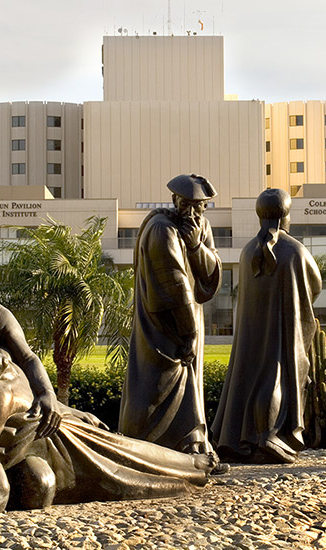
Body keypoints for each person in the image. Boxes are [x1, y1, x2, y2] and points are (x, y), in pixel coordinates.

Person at [0, 249, 213, 515]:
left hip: (13, 435)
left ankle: (191, 468)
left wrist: (47, 396)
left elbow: (29, 359)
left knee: (50, 479)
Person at [211, 188, 322, 464]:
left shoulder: (248, 250)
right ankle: (268, 434)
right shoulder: (294, 249)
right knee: (278, 372)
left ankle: (240, 438)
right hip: (282, 327)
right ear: (286, 215)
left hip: (251, 331)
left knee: (249, 376)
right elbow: (316, 283)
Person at [119, 174, 222, 458]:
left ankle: (194, 447)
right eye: (187, 204)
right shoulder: (161, 229)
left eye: (200, 206)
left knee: (189, 386)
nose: (193, 212)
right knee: (156, 386)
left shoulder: (199, 228)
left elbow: (211, 272)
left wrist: (195, 246)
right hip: (164, 325)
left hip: (189, 319)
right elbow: (174, 286)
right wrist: (188, 333)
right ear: (175, 201)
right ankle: (147, 450)